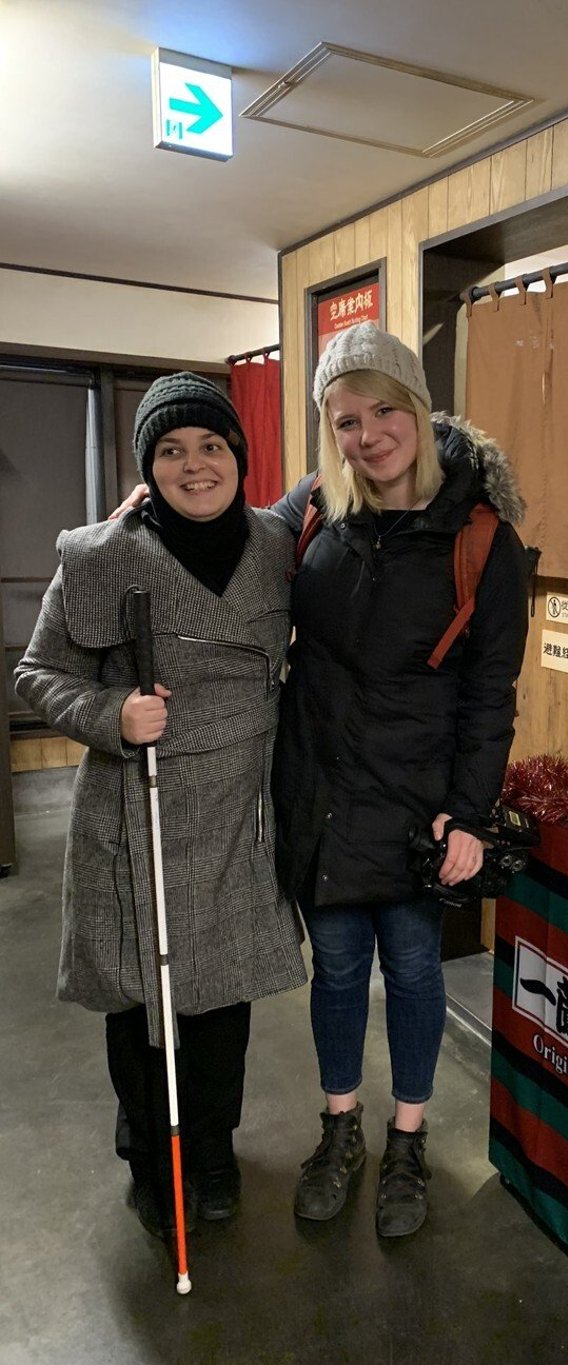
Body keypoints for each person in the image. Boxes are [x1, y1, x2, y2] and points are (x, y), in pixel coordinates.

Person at [15, 373, 307, 1239]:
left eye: (212, 445)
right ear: (148, 465)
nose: (195, 464)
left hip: (234, 811)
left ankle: (211, 1147)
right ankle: (151, 1152)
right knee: (144, 1000)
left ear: (239, 456)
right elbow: (35, 673)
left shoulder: (274, 544)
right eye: (171, 450)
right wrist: (112, 713)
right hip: (130, 811)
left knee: (223, 998)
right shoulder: (101, 555)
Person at [270, 322, 529, 1237]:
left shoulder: (482, 537)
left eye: (384, 410)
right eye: (345, 418)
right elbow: (220, 546)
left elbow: (490, 695)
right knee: (336, 969)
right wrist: (146, 514)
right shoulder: (311, 515)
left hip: (422, 803)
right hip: (324, 791)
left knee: (415, 967)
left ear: (418, 409)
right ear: (328, 431)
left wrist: (470, 814)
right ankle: (339, 1127)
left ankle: (408, 1138)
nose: (367, 434)